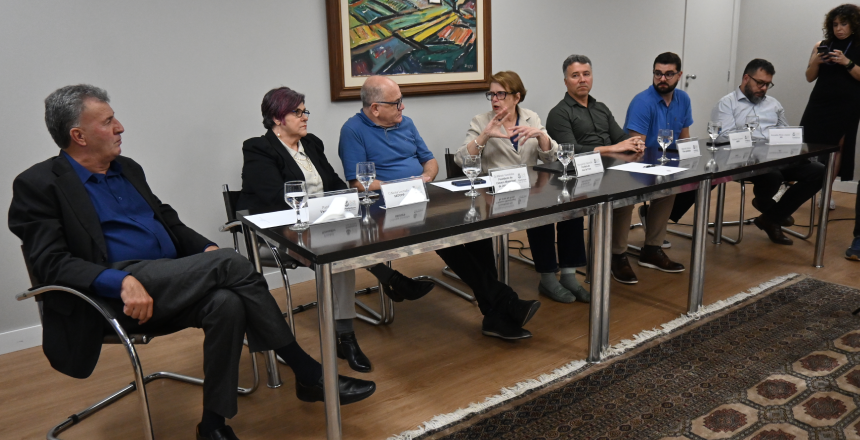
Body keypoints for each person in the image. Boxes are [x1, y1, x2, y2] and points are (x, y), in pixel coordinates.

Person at [8, 85, 375, 440]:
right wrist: (116, 280)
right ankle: (307, 372)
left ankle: (212, 426)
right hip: (114, 296)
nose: (120, 127)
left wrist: (206, 249)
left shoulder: (127, 169)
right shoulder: (38, 184)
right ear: (79, 136)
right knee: (231, 263)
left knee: (226, 302)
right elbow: (50, 263)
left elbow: (169, 222)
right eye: (107, 122)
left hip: (170, 281)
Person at [236, 87, 434, 373]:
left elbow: (333, 183)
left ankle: (355, 323)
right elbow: (274, 198)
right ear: (277, 118)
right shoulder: (258, 148)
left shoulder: (311, 143)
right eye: (297, 112)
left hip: (323, 224)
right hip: (281, 232)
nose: (305, 117)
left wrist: (347, 202)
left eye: (305, 111)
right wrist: (325, 210)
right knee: (338, 250)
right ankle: (352, 328)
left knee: (352, 236)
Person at [339, 75, 540, 340]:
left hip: (422, 196)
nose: (402, 107)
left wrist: (425, 178)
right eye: (396, 103)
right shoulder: (352, 130)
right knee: (447, 239)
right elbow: (358, 183)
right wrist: (401, 186)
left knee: (475, 223)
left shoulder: (406, 123)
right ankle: (504, 303)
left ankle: (496, 312)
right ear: (375, 108)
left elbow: (430, 161)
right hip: (385, 206)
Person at [455, 70, 588, 304]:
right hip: (496, 194)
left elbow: (551, 157)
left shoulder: (530, 117)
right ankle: (548, 277)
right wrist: (484, 136)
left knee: (570, 206)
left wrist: (541, 137)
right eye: (491, 95)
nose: (495, 99)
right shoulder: (481, 121)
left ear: (516, 97)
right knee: (539, 212)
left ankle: (569, 275)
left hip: (530, 187)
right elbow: (461, 159)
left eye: (501, 94)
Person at [671, 59, 825, 245]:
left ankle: (771, 218)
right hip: (744, 161)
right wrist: (759, 141)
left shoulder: (774, 104)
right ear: (746, 78)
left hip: (776, 158)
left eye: (768, 84)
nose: (764, 88)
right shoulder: (727, 104)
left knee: (819, 171)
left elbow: (784, 132)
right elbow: (722, 137)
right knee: (772, 175)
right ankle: (768, 207)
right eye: (760, 83)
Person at [614, 51, 690, 281]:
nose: (662, 79)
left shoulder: (683, 99)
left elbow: (685, 140)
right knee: (625, 196)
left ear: (679, 75)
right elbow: (636, 147)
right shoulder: (642, 102)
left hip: (665, 163)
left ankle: (652, 249)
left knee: (671, 188)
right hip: (636, 164)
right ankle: (617, 255)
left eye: (668, 74)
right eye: (658, 73)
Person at [798, 4, 860, 255]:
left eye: (844, 24)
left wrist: (846, 62)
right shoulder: (821, 45)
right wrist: (816, 60)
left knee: (838, 148)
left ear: (853, 24)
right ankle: (793, 183)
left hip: (848, 104)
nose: (839, 29)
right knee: (806, 144)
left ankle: (826, 191)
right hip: (820, 101)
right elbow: (809, 76)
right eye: (835, 24)